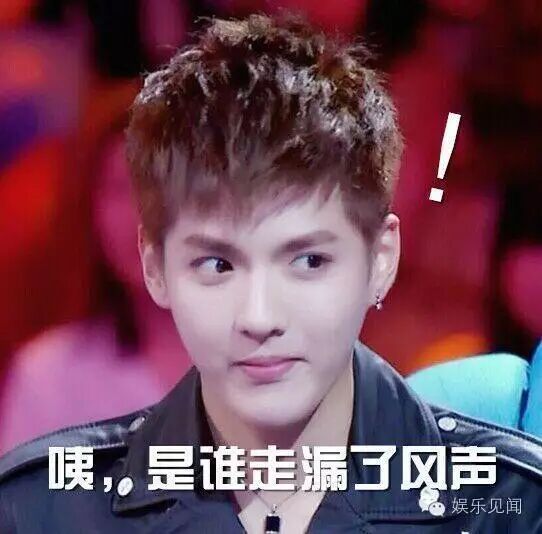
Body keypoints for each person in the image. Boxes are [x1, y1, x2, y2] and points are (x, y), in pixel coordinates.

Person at [1, 12, 541, 533]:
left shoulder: (505, 502)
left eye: (308, 261)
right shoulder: (47, 509)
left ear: (381, 258)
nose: (259, 318)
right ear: (155, 266)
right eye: (217, 264)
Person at [0, 122, 191, 455]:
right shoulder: (48, 377)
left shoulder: (271, 350)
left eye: (164, 185)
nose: (142, 217)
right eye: (120, 189)